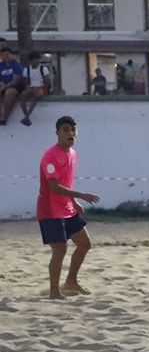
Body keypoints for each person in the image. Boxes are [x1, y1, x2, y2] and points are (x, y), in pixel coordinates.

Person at [38, 116, 101, 299]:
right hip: (49, 208)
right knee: (60, 249)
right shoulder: (50, 156)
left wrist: (73, 203)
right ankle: (54, 292)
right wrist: (82, 196)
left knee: (84, 244)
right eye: (65, 129)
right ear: (57, 132)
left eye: (73, 129)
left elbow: (66, 182)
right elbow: (54, 187)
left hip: (66, 206)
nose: (71, 133)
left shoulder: (73, 153)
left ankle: (71, 281)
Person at [19, 52, 53, 126]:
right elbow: (25, 81)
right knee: (22, 95)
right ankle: (26, 115)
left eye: (37, 59)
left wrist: (43, 88)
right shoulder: (26, 69)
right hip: (31, 87)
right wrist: (27, 87)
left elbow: (47, 81)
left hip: (41, 87)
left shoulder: (43, 69)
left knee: (36, 95)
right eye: (33, 60)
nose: (35, 61)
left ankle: (27, 116)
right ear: (30, 61)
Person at [0, 47, 22, 125]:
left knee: (9, 93)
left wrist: (4, 87)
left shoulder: (16, 65)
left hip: (14, 86)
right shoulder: (0, 65)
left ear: (11, 55)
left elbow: (16, 80)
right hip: (3, 85)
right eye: (3, 55)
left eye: (7, 54)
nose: (5, 56)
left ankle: (5, 118)